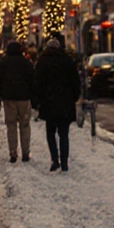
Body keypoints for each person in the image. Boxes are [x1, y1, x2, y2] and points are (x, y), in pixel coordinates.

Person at [34, 36, 81, 171]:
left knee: (50, 132)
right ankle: (64, 162)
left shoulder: (42, 61)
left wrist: (39, 100)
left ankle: (55, 159)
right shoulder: (67, 61)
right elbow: (75, 82)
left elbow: (37, 82)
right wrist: (74, 97)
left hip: (49, 102)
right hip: (65, 103)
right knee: (64, 134)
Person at [0, 41, 36, 163]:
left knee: (11, 125)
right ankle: (25, 151)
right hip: (24, 97)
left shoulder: (4, 63)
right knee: (25, 125)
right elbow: (32, 79)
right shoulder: (26, 63)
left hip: (9, 97)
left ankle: (13, 152)